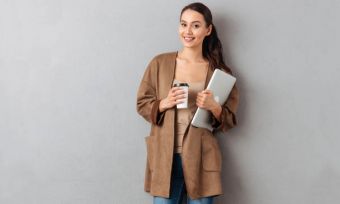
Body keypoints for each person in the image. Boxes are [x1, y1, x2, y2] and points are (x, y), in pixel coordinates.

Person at [136, 2, 239, 204]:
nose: (188, 31)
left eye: (196, 25)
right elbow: (141, 103)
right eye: (183, 24)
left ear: (208, 30)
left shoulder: (220, 73)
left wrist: (214, 106)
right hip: (166, 156)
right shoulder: (160, 63)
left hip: (201, 158)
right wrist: (164, 103)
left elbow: (230, 120)